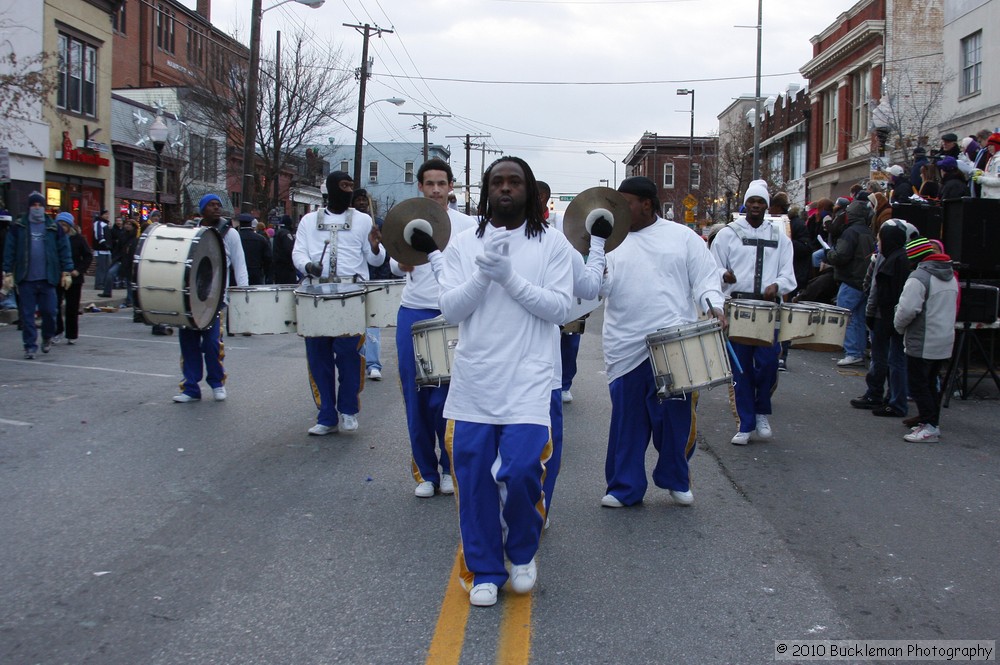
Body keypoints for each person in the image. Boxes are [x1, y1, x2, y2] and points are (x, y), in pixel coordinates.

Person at [438, 156, 573, 607]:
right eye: (497, 182)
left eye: (515, 181)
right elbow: (452, 310)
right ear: (486, 191)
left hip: (529, 382)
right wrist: (482, 274)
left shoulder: (551, 244)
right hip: (476, 382)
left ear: (529, 190)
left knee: (520, 473)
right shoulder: (461, 244)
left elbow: (559, 309)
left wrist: (509, 277)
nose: (506, 189)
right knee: (474, 480)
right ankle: (485, 569)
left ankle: (520, 553)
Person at [597, 175, 725, 502]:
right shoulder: (610, 241)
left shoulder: (682, 237)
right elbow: (598, 289)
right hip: (625, 345)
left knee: (673, 419)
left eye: (625, 204)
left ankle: (676, 479)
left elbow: (706, 280)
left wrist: (714, 306)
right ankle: (625, 488)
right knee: (627, 422)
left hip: (673, 343)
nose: (619, 211)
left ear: (647, 204)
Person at [390, 159, 477, 497]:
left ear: (451, 186)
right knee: (416, 396)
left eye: (442, 183)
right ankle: (425, 472)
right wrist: (401, 263)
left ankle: (448, 469)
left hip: (453, 314)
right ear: (421, 187)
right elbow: (394, 264)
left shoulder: (467, 225)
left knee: (449, 397)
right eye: (430, 183)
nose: (437, 190)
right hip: (413, 311)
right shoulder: (405, 219)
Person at [292, 171, 386, 435]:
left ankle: (347, 410)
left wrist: (377, 247)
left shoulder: (364, 220)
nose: (348, 191)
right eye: (343, 186)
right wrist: (307, 265)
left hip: (351, 295)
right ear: (331, 188)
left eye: (351, 187)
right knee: (318, 357)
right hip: (316, 295)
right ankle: (326, 416)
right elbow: (298, 251)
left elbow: (376, 261)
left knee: (348, 355)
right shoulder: (309, 221)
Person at [711, 180, 796, 445]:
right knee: (741, 368)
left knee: (769, 363)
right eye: (752, 201)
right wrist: (723, 274)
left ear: (767, 206)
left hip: (767, 311)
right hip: (737, 308)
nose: (756, 206)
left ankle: (761, 410)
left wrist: (778, 285)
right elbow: (710, 267)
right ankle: (746, 424)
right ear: (745, 204)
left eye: (761, 202)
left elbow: (788, 274)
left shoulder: (780, 238)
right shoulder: (727, 234)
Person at [173, 194, 249, 403]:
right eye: (211, 205)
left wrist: (243, 293)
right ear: (202, 210)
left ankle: (217, 383)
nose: (216, 208)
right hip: (190, 298)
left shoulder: (230, 234)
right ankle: (190, 388)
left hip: (214, 299)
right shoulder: (191, 231)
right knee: (188, 344)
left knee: (212, 344)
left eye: (218, 205)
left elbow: (240, 264)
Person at [894, 238, 959, 443]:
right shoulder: (950, 276)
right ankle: (931, 421)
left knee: (919, 384)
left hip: (922, 338)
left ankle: (929, 426)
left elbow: (906, 310)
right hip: (944, 337)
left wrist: (898, 326)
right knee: (931, 383)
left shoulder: (919, 277)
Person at [850, 220, 911, 417]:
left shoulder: (892, 261)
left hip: (886, 317)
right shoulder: (896, 258)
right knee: (890, 360)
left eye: (880, 238)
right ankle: (886, 397)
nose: (878, 242)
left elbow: (879, 291)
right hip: (889, 316)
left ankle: (890, 399)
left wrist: (871, 312)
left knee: (888, 360)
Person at [2, 192, 74, 359]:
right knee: (27, 315)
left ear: (44, 207)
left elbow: (64, 250)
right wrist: (8, 272)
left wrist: (67, 271)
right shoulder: (18, 227)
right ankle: (30, 346)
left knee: (50, 312)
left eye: (39, 205)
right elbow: (9, 250)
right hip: (26, 279)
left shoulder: (53, 228)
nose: (36, 208)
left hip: (48, 279)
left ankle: (47, 337)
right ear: (29, 207)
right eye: (33, 205)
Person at [820, 195, 876, 367]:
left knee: (847, 317)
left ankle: (852, 352)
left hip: (851, 278)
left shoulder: (850, 232)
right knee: (858, 317)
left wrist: (829, 253)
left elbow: (841, 255)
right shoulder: (867, 232)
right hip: (863, 279)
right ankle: (858, 351)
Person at [353, 189, 391, 381]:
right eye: (357, 200)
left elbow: (385, 254)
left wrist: (384, 277)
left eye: (363, 200)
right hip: (355, 283)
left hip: (375, 279)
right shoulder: (350, 225)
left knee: (373, 323)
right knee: (355, 325)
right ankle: (359, 360)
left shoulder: (378, 224)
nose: (361, 203)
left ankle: (373, 364)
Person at [54, 212, 93, 345]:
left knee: (72, 307)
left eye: (64, 225)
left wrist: (79, 270)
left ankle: (71, 334)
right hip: (57, 277)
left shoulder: (78, 239)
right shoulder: (53, 238)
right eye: (59, 224)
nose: (62, 227)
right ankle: (57, 331)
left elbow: (88, 256)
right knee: (55, 306)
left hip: (74, 278)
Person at [104, 218, 139, 306]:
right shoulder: (122, 235)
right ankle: (107, 292)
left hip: (129, 261)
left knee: (129, 281)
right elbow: (118, 248)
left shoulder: (135, 237)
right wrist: (115, 257)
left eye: (129, 224)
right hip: (120, 259)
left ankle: (130, 300)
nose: (127, 226)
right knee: (110, 273)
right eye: (126, 224)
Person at [236, 213, 272, 285]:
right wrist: (267, 274)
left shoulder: (236, 237)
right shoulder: (261, 239)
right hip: (256, 273)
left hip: (238, 273)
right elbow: (268, 258)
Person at [973, 132, 1000, 199]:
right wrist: (982, 173)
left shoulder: (998, 160)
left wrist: (981, 179)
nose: (989, 147)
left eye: (991, 145)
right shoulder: (992, 158)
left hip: (996, 198)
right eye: (988, 145)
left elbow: (998, 181)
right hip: (988, 197)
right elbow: (991, 175)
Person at [272, 215, 297, 283]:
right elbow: (290, 249)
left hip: (279, 267)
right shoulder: (286, 233)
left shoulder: (279, 232)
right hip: (287, 268)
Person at [92, 209, 112, 292]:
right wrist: (104, 244)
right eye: (105, 214)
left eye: (108, 214)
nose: (107, 216)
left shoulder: (106, 224)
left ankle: (103, 283)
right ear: (102, 215)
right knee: (101, 268)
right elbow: (98, 235)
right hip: (101, 249)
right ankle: (99, 284)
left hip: (106, 250)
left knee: (106, 268)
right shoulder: (98, 223)